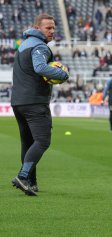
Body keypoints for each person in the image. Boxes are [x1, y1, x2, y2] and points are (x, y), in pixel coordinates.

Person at [10, 13, 69, 196]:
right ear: (37, 28)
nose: (52, 31)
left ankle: (31, 183)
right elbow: (40, 68)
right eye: (48, 28)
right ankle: (23, 175)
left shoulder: (24, 44)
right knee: (42, 141)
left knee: (27, 143)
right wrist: (62, 75)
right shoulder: (39, 46)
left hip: (18, 101)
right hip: (34, 102)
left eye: (53, 27)